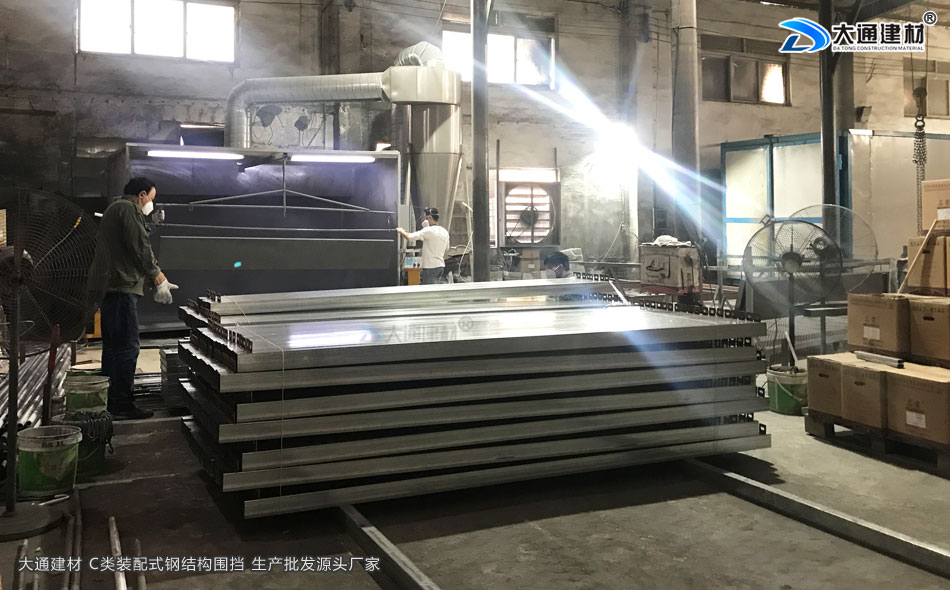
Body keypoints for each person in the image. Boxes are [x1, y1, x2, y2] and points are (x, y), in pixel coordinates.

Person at [98, 177, 178, 419]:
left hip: (112, 288)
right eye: (151, 199)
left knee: (113, 348)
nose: (151, 204)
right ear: (141, 195)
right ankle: (122, 404)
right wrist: (158, 277)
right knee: (127, 347)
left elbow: (129, 248)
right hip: (122, 289)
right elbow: (140, 247)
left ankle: (112, 400)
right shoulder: (128, 209)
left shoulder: (115, 208)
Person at [396, 207, 450, 285]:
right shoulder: (444, 231)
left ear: (430, 218)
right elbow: (447, 248)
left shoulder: (428, 231)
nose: (425, 221)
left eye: (426, 218)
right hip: (440, 266)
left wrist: (401, 231)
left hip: (430, 267)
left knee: (430, 291)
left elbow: (410, 237)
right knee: (436, 289)